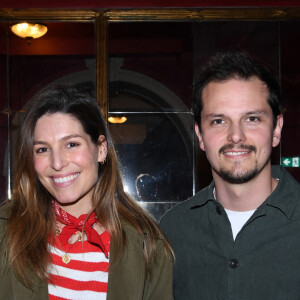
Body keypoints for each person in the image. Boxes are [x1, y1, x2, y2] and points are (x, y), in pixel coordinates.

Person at [0, 86, 173, 300]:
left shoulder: (149, 245)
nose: (57, 163)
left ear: (101, 149)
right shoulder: (6, 232)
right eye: (42, 149)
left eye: (71, 144)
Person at [160, 51, 300, 299]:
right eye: (218, 121)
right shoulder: (173, 230)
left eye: (252, 118)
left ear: (276, 129)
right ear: (200, 135)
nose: (236, 136)